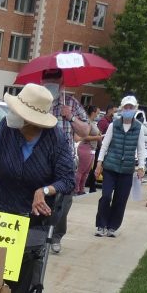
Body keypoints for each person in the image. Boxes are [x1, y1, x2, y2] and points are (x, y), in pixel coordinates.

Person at [0, 82, 74, 293]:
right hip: (2, 208)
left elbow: (68, 180)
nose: (10, 113)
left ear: (31, 120)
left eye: (16, 111)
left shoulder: (56, 139)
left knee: (26, 258)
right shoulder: (6, 127)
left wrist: (45, 190)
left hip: (34, 218)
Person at [40, 67, 91, 253]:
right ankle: (40, 234)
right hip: (41, 161)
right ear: (42, 82)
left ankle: (56, 235)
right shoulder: (37, 102)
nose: (51, 85)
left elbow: (85, 131)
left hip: (65, 162)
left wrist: (70, 116)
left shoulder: (71, 103)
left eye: (55, 81)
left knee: (63, 202)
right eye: (48, 81)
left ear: (62, 83)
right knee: (41, 197)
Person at [93, 95, 145, 236]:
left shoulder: (139, 128)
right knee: (106, 196)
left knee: (120, 200)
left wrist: (141, 166)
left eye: (131, 107)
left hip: (127, 169)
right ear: (122, 109)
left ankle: (113, 226)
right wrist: (99, 163)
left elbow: (141, 150)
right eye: (126, 107)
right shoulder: (113, 125)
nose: (128, 110)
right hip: (111, 167)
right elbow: (104, 146)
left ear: (135, 109)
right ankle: (101, 224)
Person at [74, 105, 101, 195]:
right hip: (86, 148)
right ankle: (76, 189)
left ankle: (81, 189)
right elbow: (85, 136)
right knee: (81, 170)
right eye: (97, 113)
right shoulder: (88, 122)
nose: (97, 115)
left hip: (92, 148)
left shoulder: (92, 122)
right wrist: (97, 137)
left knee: (86, 171)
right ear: (93, 112)